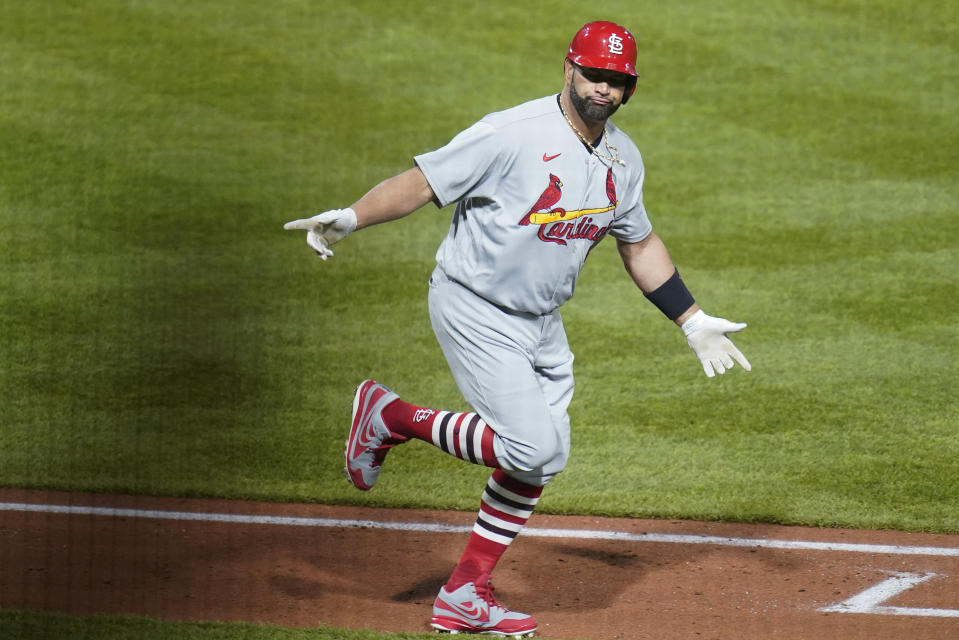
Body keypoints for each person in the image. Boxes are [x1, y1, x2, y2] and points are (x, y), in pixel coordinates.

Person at [285, 20, 751, 638]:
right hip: (474, 306)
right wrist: (352, 216)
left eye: (617, 81)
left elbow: (638, 242)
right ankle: (391, 418)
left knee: (540, 460)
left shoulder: (622, 159)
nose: (604, 90)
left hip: (542, 323)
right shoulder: (512, 133)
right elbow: (425, 183)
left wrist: (691, 320)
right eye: (594, 75)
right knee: (533, 447)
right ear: (569, 69)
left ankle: (463, 594)